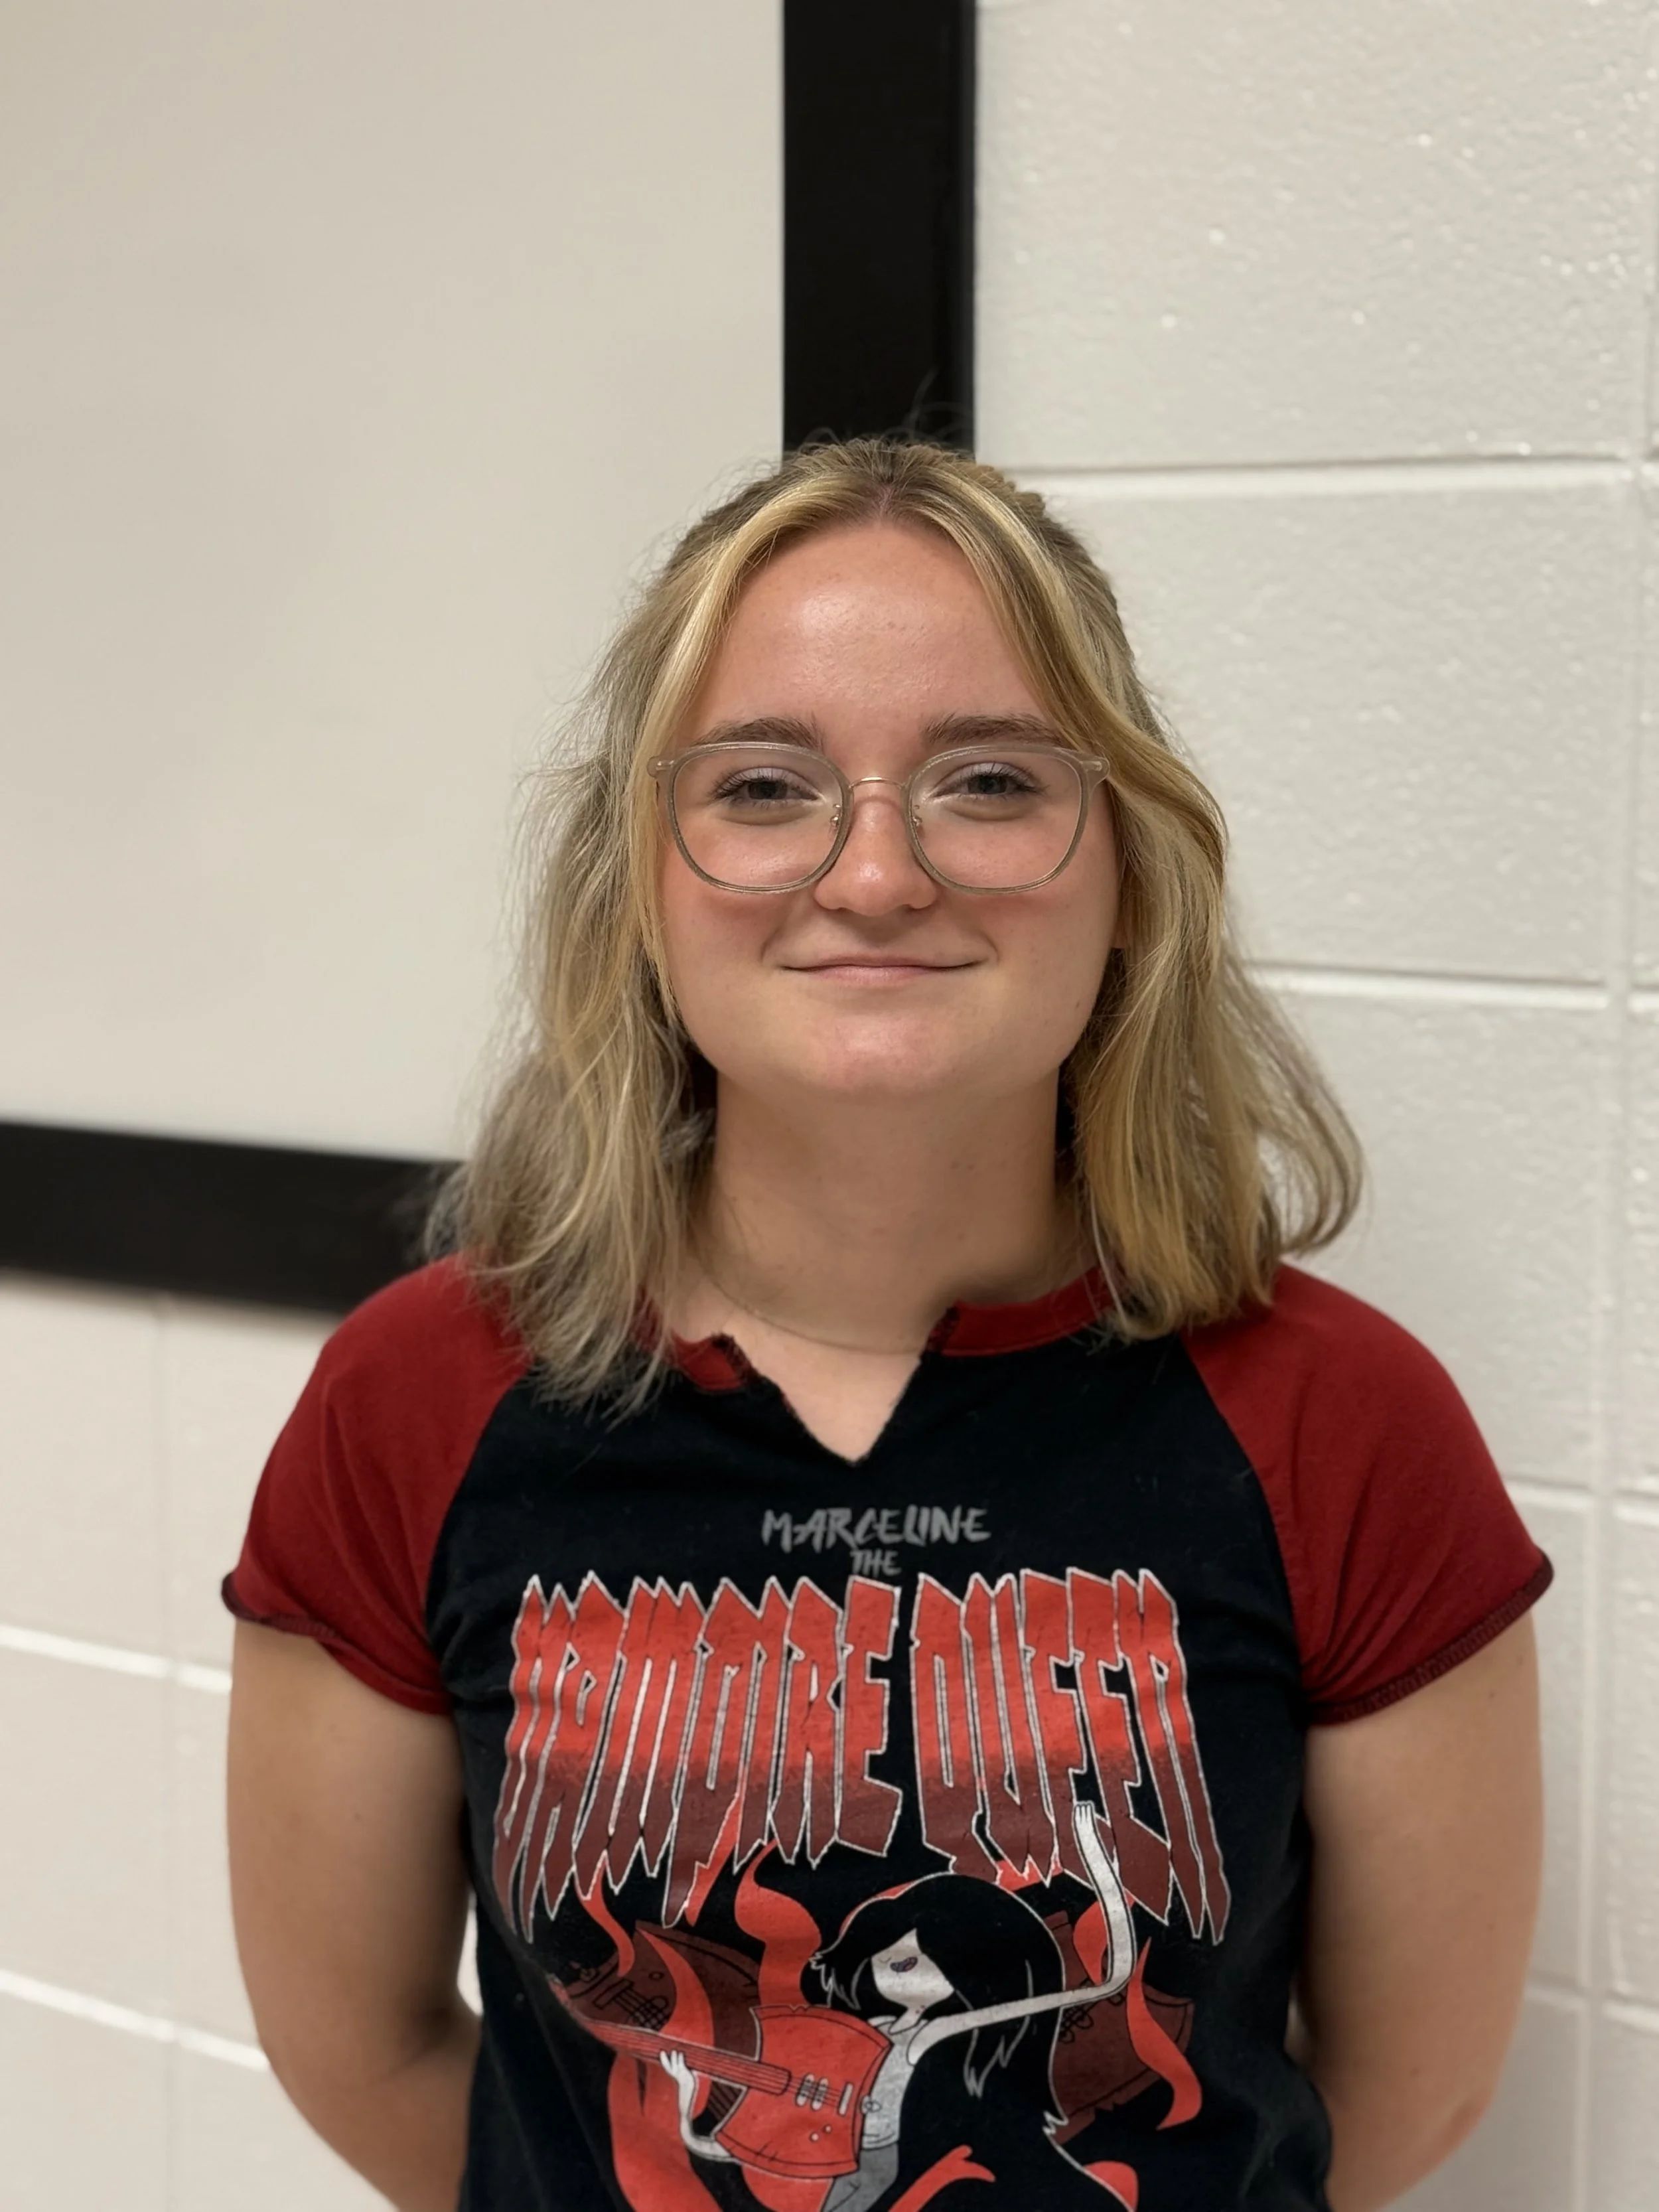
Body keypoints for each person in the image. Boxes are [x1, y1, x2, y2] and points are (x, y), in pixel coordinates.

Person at [224, 437, 1550, 2212]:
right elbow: (375, 2054)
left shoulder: (1340, 1420)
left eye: (986, 779)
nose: (871, 874)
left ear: (1126, 869)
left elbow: (1402, 2096)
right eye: (764, 787)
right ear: (641, 881)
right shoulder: (413, 1400)